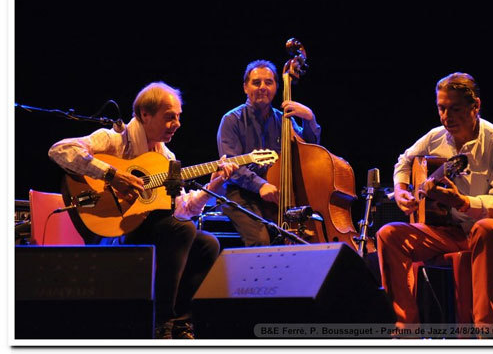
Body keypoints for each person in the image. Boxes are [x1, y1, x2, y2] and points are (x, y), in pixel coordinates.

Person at [48, 81, 238, 339]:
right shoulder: (114, 139)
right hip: (113, 230)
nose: (178, 124)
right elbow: (59, 150)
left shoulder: (166, 157)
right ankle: (161, 323)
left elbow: (180, 209)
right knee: (181, 230)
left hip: (152, 231)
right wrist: (111, 174)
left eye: (179, 117)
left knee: (208, 244)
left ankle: (182, 323)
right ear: (144, 115)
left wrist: (214, 184)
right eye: (170, 117)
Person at [376, 72, 493, 332]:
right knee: (388, 235)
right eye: (441, 108)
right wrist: (402, 189)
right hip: (455, 231)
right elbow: (404, 161)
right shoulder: (436, 137)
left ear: (476, 106)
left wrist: (464, 202)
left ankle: (485, 336)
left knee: (486, 228)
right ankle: (406, 332)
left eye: (455, 109)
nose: (446, 117)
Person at [216, 59, 321, 246]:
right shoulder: (231, 120)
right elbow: (233, 165)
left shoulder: (283, 120)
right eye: (256, 83)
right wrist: (260, 185)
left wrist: (309, 119)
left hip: (277, 194)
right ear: (245, 88)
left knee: (298, 238)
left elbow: (310, 150)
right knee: (261, 240)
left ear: (276, 87)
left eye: (268, 82)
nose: (263, 87)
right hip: (241, 194)